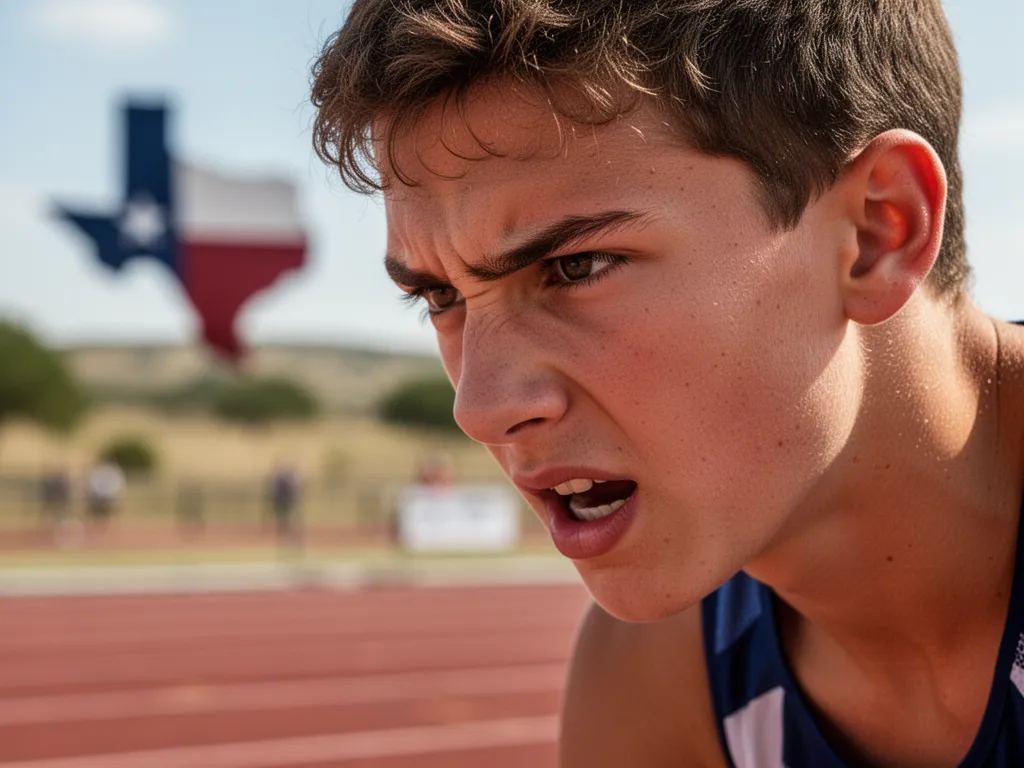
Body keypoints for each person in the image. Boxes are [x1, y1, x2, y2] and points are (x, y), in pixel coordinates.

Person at [309, 2, 1024, 765]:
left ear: (879, 231)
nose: (481, 407)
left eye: (576, 267)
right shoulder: (653, 676)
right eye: (441, 298)